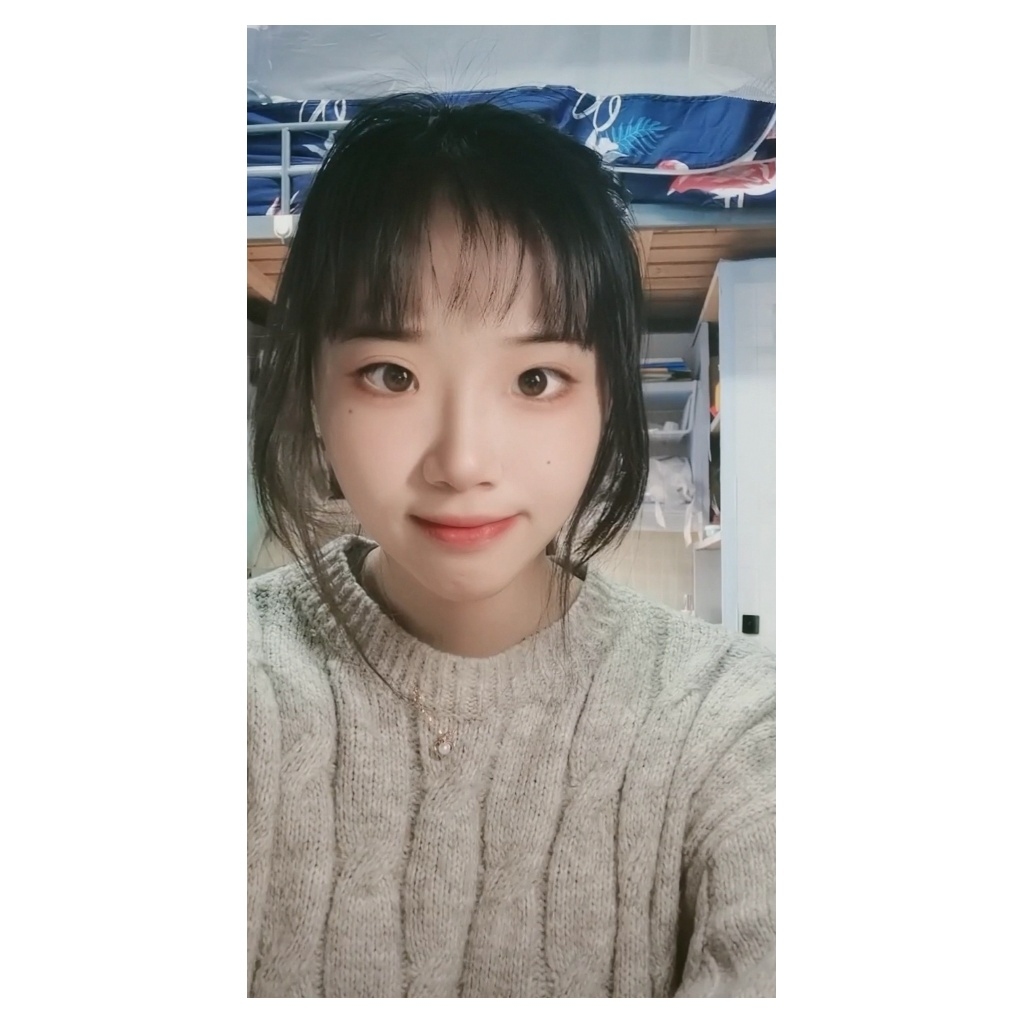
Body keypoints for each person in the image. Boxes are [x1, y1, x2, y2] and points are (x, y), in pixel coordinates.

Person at [248, 94, 775, 998]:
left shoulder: (735, 725)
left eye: (536, 379)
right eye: (391, 374)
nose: (462, 462)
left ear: (606, 397)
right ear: (314, 393)